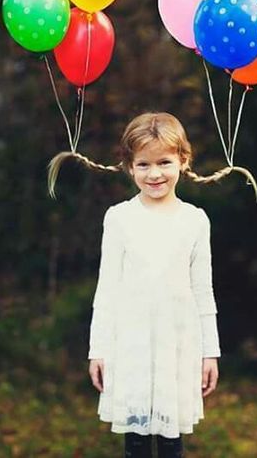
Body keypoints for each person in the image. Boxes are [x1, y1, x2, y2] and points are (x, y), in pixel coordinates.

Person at [85, 112, 222, 457]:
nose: (155, 173)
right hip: (131, 345)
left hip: (177, 345)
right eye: (143, 164)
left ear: (183, 160)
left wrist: (210, 352)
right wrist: (97, 349)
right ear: (130, 167)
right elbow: (107, 289)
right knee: (136, 442)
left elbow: (203, 291)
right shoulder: (119, 218)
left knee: (172, 439)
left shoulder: (195, 220)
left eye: (164, 161)